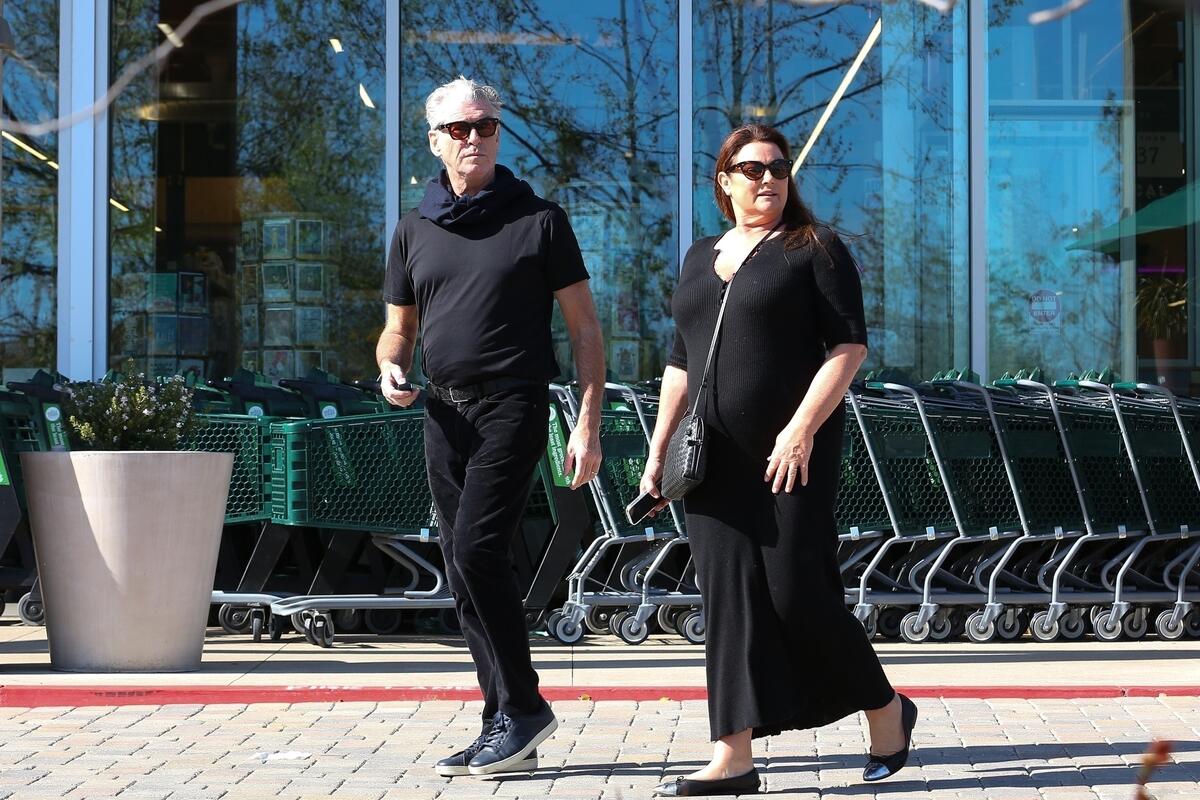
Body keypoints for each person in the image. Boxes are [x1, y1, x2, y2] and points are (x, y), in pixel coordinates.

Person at [641, 123, 918, 797]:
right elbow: (681, 360)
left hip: (789, 456)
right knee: (728, 603)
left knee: (799, 595)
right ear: (725, 181)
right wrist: (659, 448)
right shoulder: (700, 255)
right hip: (712, 461)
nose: (768, 178)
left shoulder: (812, 247)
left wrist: (800, 430)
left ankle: (886, 709)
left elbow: (848, 347)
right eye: (753, 168)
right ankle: (733, 757)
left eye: (778, 168)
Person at [376, 76, 605, 777]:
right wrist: (390, 367)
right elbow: (398, 329)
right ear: (435, 141)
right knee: (460, 566)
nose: (474, 138)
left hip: (513, 403)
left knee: (478, 551)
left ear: (499, 133)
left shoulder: (539, 220)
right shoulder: (414, 229)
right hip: (442, 412)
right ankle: (501, 720)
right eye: (460, 128)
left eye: (486, 126)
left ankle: (526, 707)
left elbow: (585, 329)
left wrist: (588, 422)